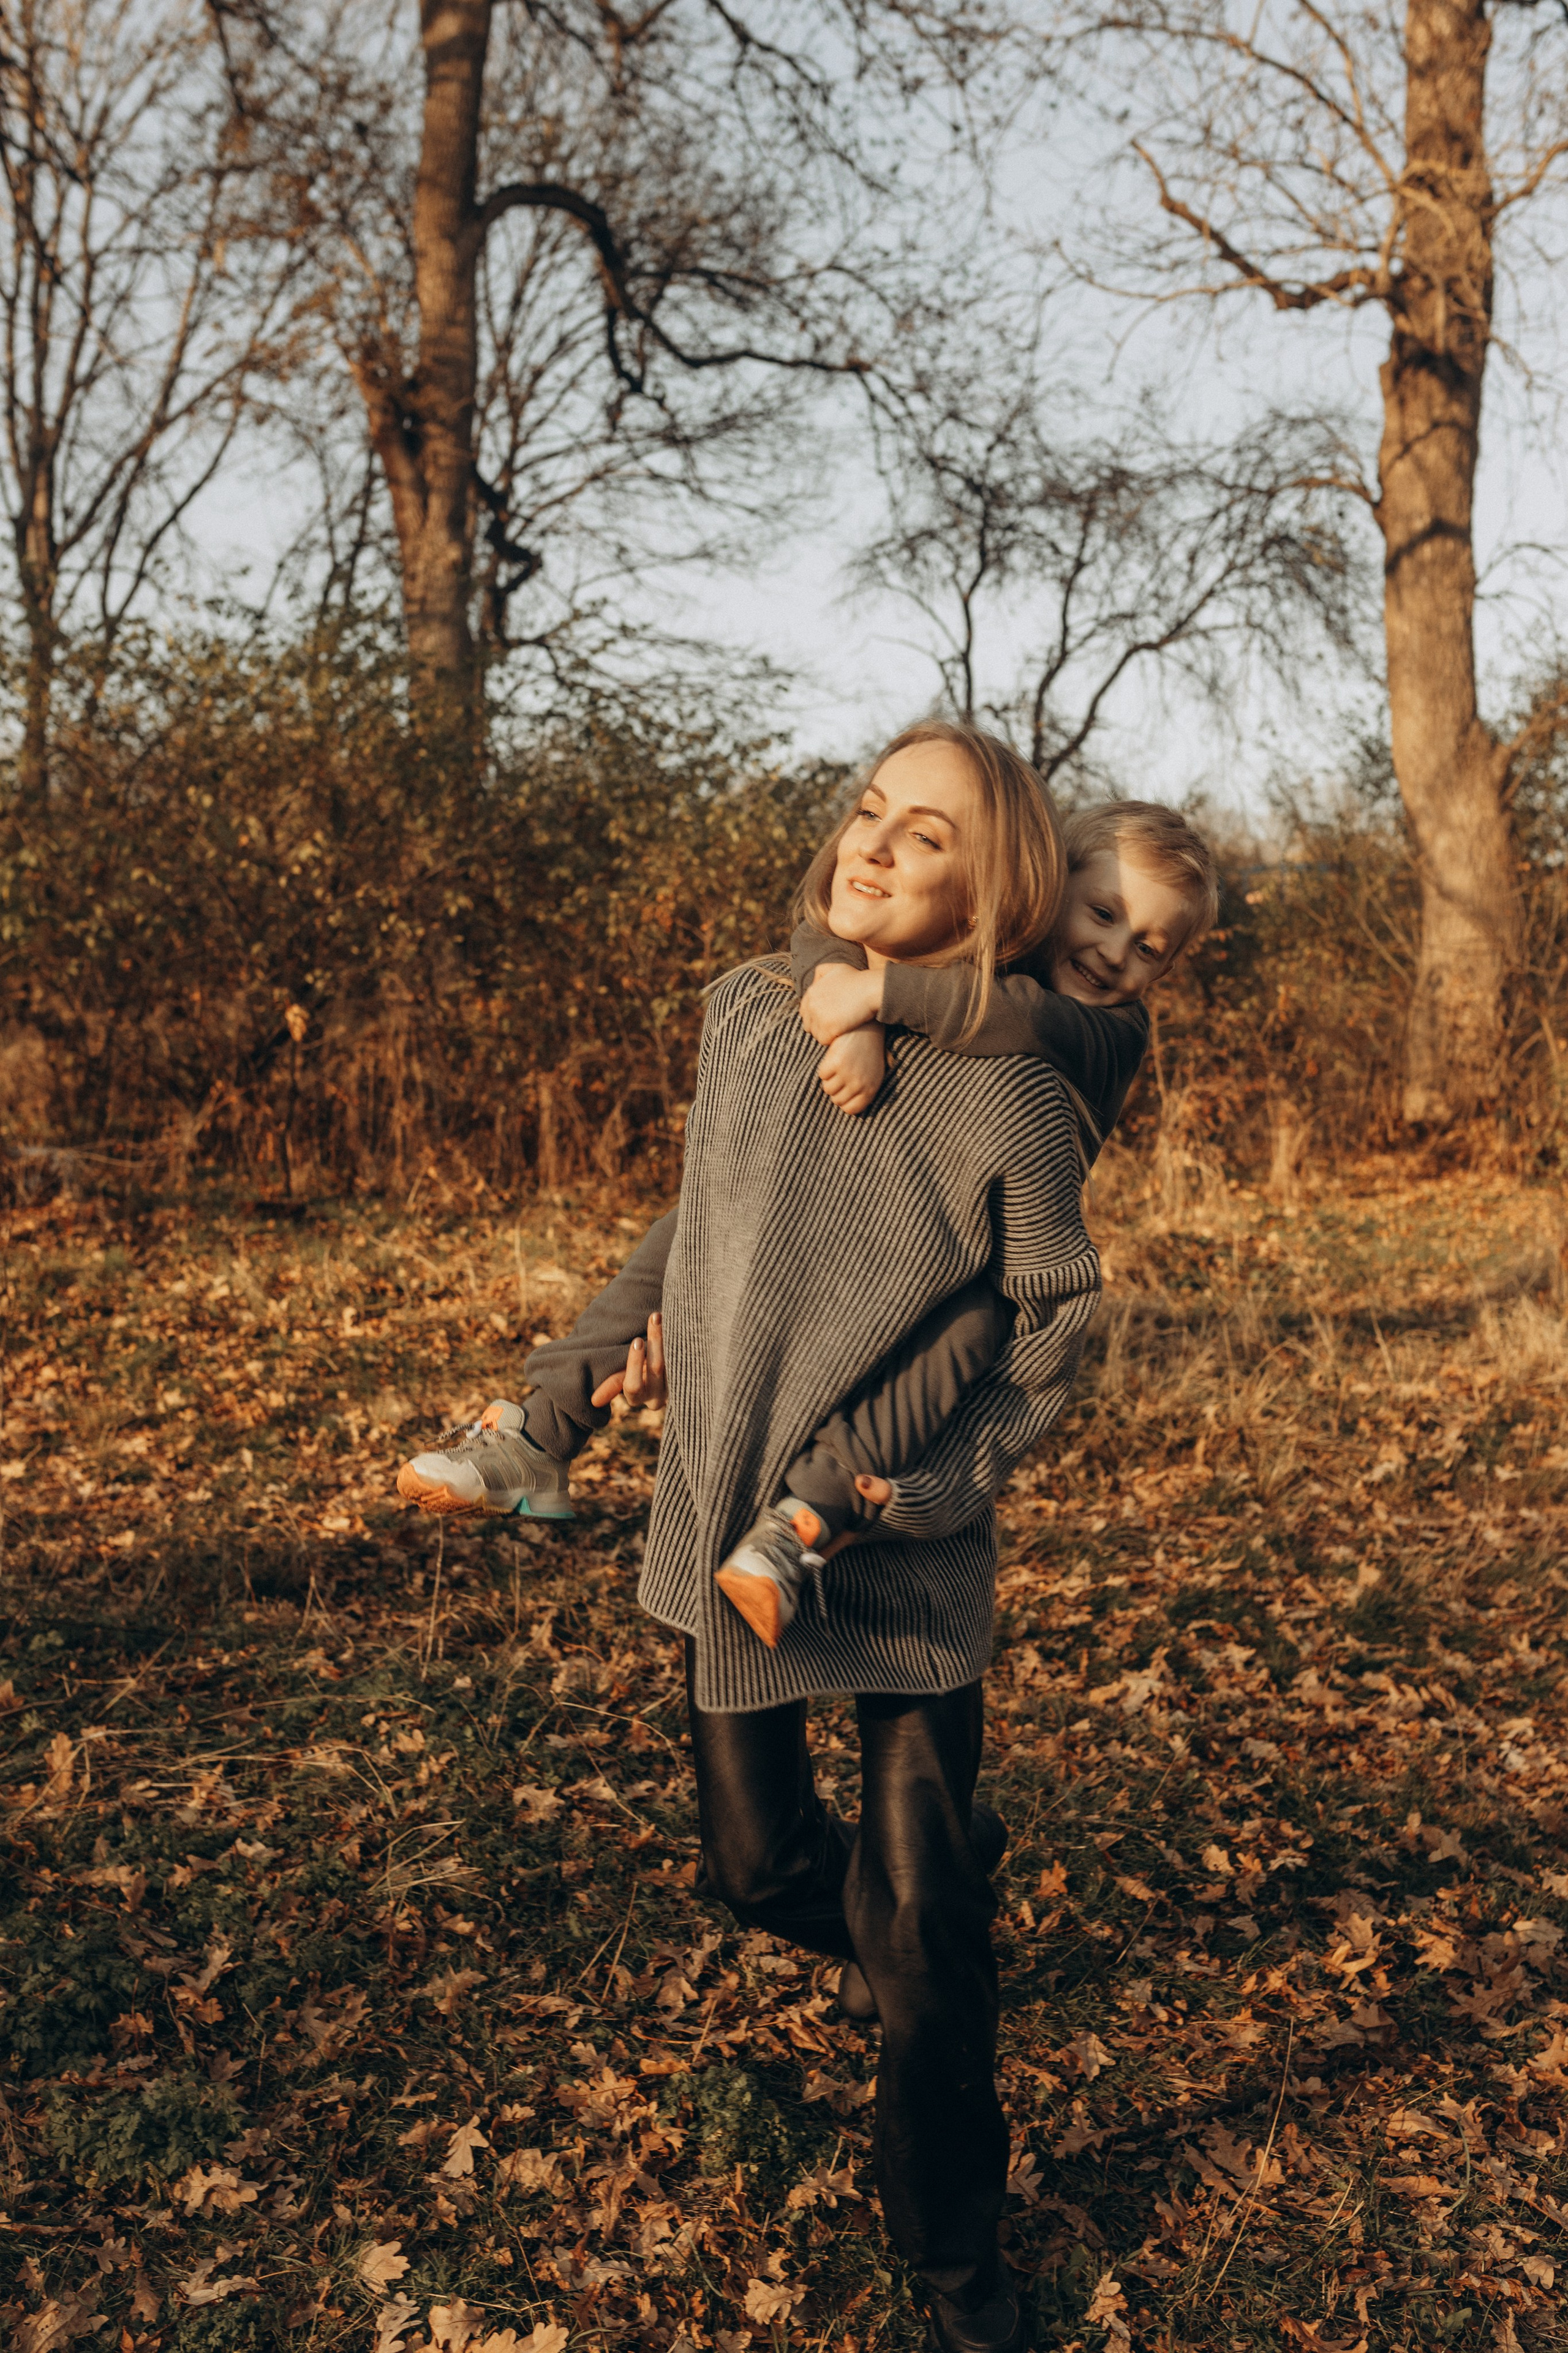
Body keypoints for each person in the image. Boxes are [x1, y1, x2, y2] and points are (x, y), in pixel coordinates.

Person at [410, 720, 1106, 2353]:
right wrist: (663, 1334)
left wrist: (931, 1489)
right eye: (868, 811)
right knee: (755, 1865)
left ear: (992, 887)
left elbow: (1054, 1330)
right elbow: (707, 1213)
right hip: (735, 1533)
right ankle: (919, 1891)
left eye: (924, 835)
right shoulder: (745, 1009)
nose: (872, 843)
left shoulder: (1017, 1091)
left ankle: (957, 2266)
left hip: (898, 1546)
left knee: (922, 1934)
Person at [396, 798, 1218, 1644]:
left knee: (968, 1332)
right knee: (699, 1218)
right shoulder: (971, 959)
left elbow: (1008, 1015)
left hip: (966, 1254)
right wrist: (843, 1001)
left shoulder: (1107, 1029)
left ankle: (805, 1519)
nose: (1116, 953)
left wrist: (875, 998)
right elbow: (821, 930)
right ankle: (543, 1430)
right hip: (833, 1199)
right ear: (1047, 892)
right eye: (1104, 914)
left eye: (1150, 948)